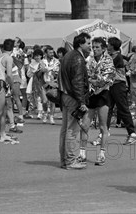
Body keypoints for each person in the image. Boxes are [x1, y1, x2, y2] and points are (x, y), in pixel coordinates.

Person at [79, 37, 115, 166]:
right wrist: (94, 79)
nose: (94, 49)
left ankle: (102, 154)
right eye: (93, 47)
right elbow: (85, 75)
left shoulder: (108, 60)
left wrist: (94, 79)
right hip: (90, 94)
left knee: (103, 126)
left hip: (103, 94)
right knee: (84, 125)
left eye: (97, 47)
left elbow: (107, 78)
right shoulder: (89, 59)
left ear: (104, 48)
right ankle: (82, 153)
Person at [59, 32, 91, 170]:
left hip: (65, 95)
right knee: (73, 130)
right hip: (73, 97)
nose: (90, 46)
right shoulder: (77, 58)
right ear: (80, 44)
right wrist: (82, 102)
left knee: (65, 129)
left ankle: (65, 160)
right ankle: (71, 160)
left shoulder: (68, 55)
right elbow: (77, 82)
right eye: (88, 43)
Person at [106, 36, 136, 145]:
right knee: (108, 108)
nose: (107, 45)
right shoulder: (111, 56)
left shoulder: (117, 57)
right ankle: (104, 132)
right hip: (111, 85)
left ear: (112, 46)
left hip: (118, 85)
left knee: (123, 108)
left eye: (108, 44)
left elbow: (109, 66)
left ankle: (132, 133)